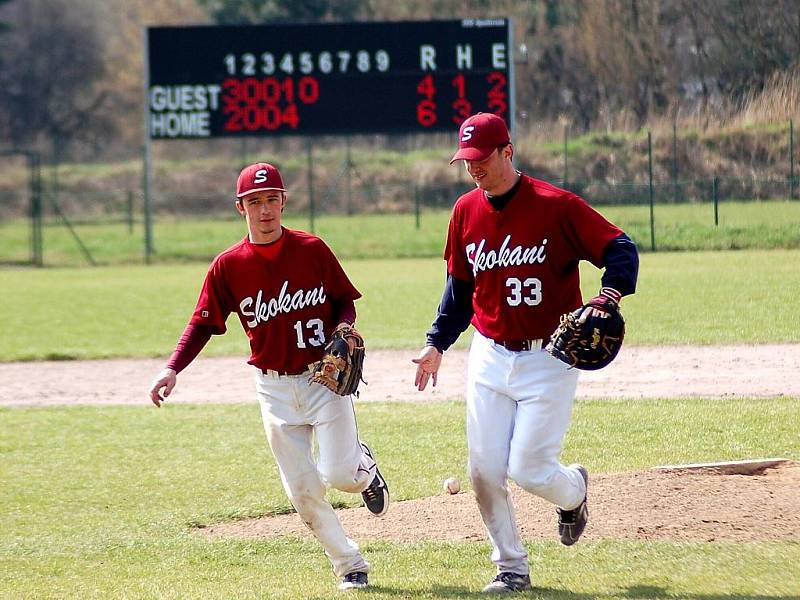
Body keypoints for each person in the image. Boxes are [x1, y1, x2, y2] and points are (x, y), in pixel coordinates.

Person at [413, 113, 639, 593]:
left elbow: (621, 248)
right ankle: (511, 565)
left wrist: (608, 296)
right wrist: (436, 343)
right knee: (483, 470)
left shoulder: (555, 206)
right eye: (466, 160)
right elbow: (459, 287)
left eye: (481, 158)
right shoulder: (465, 212)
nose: (473, 168)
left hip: (550, 357)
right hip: (490, 354)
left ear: (507, 152)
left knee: (529, 469)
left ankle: (573, 490)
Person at [148, 162, 389, 591]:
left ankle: (365, 469)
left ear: (284, 202)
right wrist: (172, 368)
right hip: (273, 388)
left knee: (340, 476)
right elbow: (203, 322)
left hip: (323, 379)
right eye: (255, 202)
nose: (265, 210)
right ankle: (349, 564)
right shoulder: (229, 266)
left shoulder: (312, 249)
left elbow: (343, 303)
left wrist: (343, 329)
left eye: (272, 199)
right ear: (240, 207)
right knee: (302, 492)